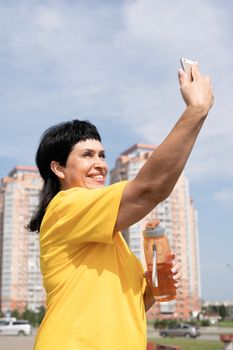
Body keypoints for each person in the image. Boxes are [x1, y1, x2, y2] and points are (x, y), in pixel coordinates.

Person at [29, 64, 214, 350]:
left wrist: (155, 286)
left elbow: (132, 306)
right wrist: (196, 111)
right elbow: (149, 190)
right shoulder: (65, 207)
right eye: (87, 155)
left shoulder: (110, 238)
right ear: (59, 168)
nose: (100, 165)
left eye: (102, 155)